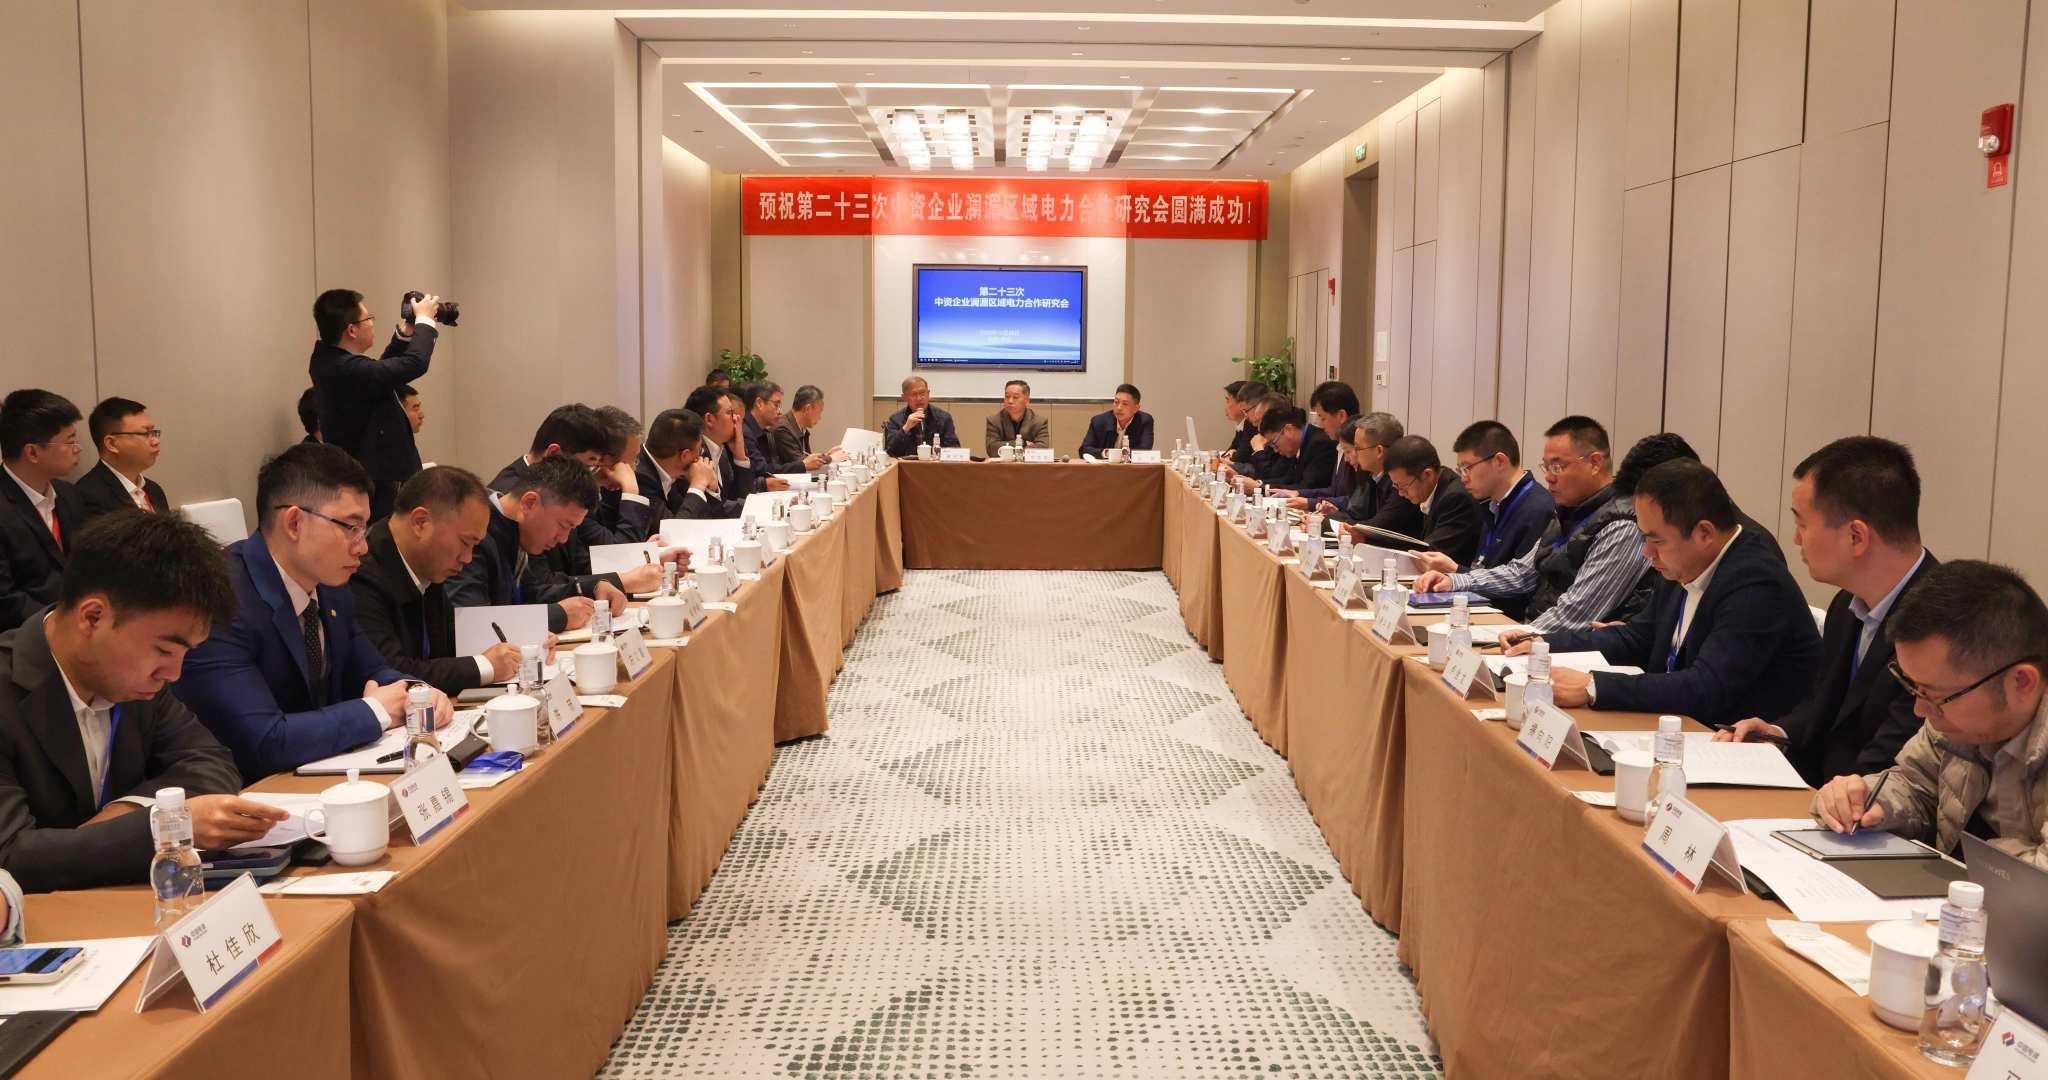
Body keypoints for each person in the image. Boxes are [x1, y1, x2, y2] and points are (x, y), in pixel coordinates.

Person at [0, 511, 287, 892]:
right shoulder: (9, 691)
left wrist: (130, 811)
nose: (174, 673)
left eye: (186, 654)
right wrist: (159, 826)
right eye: (164, 650)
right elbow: (11, 857)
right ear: (93, 617)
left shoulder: (134, 680)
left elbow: (211, 762)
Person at [172, 444, 454, 780]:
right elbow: (264, 741)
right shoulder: (222, 597)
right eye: (351, 527)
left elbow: (372, 669)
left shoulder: (331, 586)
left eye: (364, 528)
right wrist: (375, 710)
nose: (363, 546)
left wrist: (417, 694)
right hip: (245, 792)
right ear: (294, 522)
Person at [1512, 459, 1821, 727]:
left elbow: (1705, 688)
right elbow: (1637, 638)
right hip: (1678, 730)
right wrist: (1543, 643)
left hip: (1734, 747)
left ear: (1703, 533)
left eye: (1656, 541)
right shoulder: (1683, 563)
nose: (1648, 553)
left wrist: (1594, 686)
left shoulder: (1756, 583)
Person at [1716, 437, 1938, 786]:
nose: (1796, 539)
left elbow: (1892, 761)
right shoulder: (1846, 605)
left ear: (1856, 536)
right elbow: (1822, 706)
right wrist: (1777, 733)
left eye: (1803, 524)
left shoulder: (1939, 625)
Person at [1812, 560, 2048, 867]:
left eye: (1936, 695)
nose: (1920, 709)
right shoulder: (1951, 718)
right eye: (1915, 687)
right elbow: (1915, 784)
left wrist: (1972, 856)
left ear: (2022, 682)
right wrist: (1865, 799)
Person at [1413, 416, 1649, 630]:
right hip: (1535, 633)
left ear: (1595, 463)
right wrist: (1454, 580)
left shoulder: (1621, 527)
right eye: (1546, 466)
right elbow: (1522, 573)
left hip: (1560, 646)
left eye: (1558, 466)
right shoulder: (1567, 512)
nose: (1548, 476)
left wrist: (1517, 636)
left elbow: (1576, 613)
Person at [348, 467, 522, 696]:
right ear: (420, 522)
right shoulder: (361, 574)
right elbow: (391, 673)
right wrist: (485, 666)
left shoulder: (429, 565)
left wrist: (525, 646)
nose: (468, 558)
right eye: (465, 542)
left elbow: (449, 650)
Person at [446, 456, 625, 634]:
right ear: (530, 503)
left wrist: (594, 587)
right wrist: (557, 616)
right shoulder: (475, 536)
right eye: (563, 525)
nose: (563, 539)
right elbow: (470, 626)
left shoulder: (518, 530)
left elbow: (535, 591)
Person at [308, 288, 440, 519]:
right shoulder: (342, 368)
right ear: (352, 330)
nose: (372, 323)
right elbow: (415, 363)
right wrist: (425, 321)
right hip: (378, 494)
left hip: (376, 485)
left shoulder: (333, 362)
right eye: (368, 318)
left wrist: (406, 333)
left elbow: (377, 376)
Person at [0, 391, 86, 634]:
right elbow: (5, 600)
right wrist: (63, 624)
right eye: (69, 442)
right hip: (25, 637)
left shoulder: (68, 494)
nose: (78, 448)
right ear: (33, 453)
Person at [1446, 420, 1554, 571]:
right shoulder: (1493, 505)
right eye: (1460, 471)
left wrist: (1456, 571)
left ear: (1499, 462)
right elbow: (1487, 572)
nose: (1463, 478)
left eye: (1467, 468)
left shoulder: (1538, 510)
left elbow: (1520, 582)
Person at [1319, 413, 1424, 542]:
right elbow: (1358, 516)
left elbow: (1375, 528)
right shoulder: (1373, 476)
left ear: (1379, 451)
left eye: (1358, 448)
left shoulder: (1400, 483)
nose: (1354, 454)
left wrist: (1325, 522)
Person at [1379, 436, 1483, 564]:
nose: (1400, 493)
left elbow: (1429, 556)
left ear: (1427, 474)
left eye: (1403, 486)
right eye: (1396, 486)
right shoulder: (1428, 491)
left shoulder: (1456, 499)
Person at [76, 397, 171, 524]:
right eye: (145, 433)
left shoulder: (154, 490)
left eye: (154, 432)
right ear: (112, 444)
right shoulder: (88, 497)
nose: (156, 441)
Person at [686, 385, 776, 511]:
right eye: (729, 413)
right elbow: (711, 512)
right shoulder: (693, 455)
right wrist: (764, 505)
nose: (736, 418)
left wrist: (740, 456)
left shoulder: (720, 451)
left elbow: (740, 496)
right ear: (709, 420)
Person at [1278, 382, 1359, 510]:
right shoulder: (1340, 445)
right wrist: (1298, 493)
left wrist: (1309, 503)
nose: (1321, 425)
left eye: (1323, 418)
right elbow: (1333, 491)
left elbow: (1356, 501)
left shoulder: (1359, 449)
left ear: (1341, 416)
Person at [638, 409, 722, 518]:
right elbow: (676, 527)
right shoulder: (640, 480)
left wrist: (711, 489)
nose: (700, 457)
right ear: (685, 455)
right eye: (699, 450)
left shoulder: (674, 469)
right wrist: (699, 485)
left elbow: (708, 521)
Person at [1240, 406, 1336, 490]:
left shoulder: (1320, 444)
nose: (1275, 450)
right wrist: (1258, 484)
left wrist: (1260, 488)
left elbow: (1306, 487)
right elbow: (1288, 479)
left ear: (1288, 430)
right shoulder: (1298, 444)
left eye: (1274, 443)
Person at [742, 382, 821, 475]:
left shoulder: (765, 433)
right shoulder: (745, 433)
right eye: (776, 405)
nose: (780, 412)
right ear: (759, 403)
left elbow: (773, 466)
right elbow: (762, 470)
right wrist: (803, 465)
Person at [883, 377, 960, 458]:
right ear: (904, 397)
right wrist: (906, 428)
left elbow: (954, 449)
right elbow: (891, 452)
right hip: (906, 465)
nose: (919, 398)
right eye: (914, 394)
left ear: (928, 394)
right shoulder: (895, 419)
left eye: (922, 393)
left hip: (935, 464)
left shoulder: (943, 418)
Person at [1078, 384, 1155, 458]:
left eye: (1125, 404)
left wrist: (1120, 455)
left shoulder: (1144, 421)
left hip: (1130, 467)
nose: (1119, 408)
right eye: (1116, 402)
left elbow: (1144, 451)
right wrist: (1106, 453)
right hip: (1105, 466)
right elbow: (1084, 450)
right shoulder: (1098, 421)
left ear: (1136, 408)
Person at [986, 379, 1051, 457]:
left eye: (1015, 397)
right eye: (1007, 396)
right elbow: (992, 449)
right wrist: (1021, 443)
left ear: (1027, 400)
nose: (1010, 401)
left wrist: (1007, 447)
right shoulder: (994, 421)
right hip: (1003, 464)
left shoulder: (1039, 422)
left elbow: (1042, 449)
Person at [772, 385, 832, 468]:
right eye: (820, 411)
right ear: (807, 409)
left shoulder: (801, 428)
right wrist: (831, 458)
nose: (820, 417)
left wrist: (827, 455)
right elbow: (802, 464)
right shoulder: (783, 429)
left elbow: (808, 458)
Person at [1224, 380, 1268, 462]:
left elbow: (1241, 457)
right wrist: (1231, 454)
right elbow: (1230, 451)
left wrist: (1232, 455)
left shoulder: (1252, 425)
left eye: (1228, 400)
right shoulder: (1245, 424)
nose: (1225, 406)